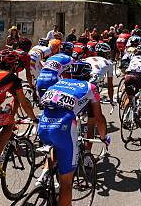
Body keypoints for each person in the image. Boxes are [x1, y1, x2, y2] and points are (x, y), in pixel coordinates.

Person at [36, 61, 110, 205]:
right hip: (64, 127)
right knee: (66, 181)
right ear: (88, 75)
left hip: (43, 124)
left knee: (55, 148)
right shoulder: (90, 86)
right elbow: (99, 118)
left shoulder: (57, 83)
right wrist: (103, 137)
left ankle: (44, 174)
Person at [121, 44, 141, 110]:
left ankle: (124, 104)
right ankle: (139, 106)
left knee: (129, 92)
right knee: (140, 91)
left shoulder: (133, 57)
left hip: (128, 75)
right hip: (138, 76)